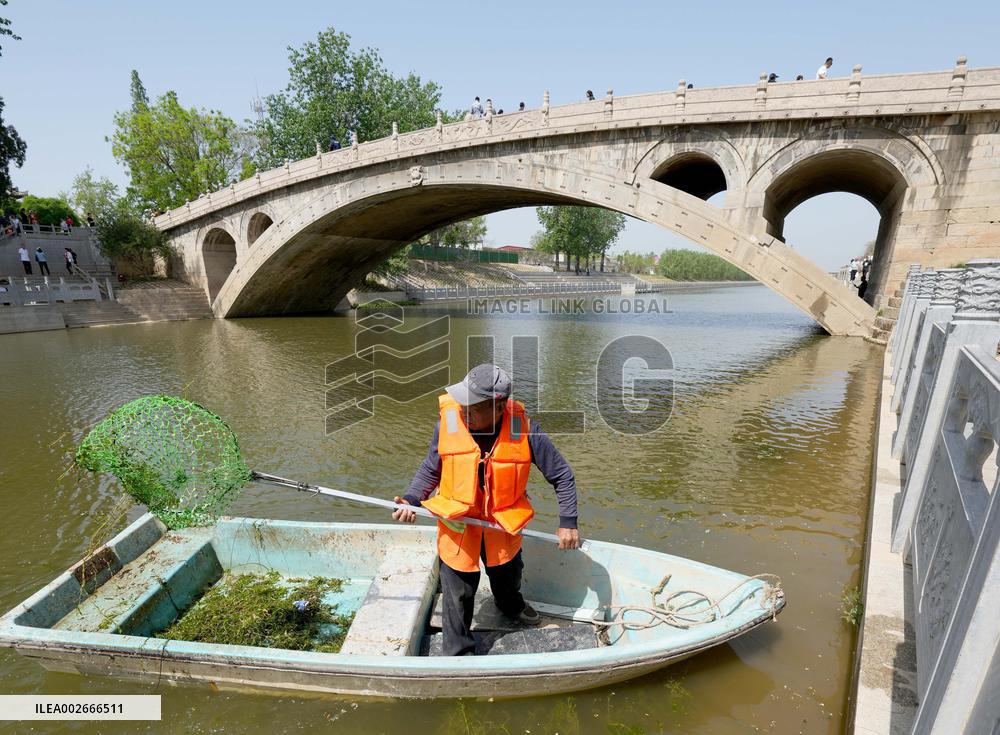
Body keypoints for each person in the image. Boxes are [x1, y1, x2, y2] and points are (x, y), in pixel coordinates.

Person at [393, 364, 580, 657]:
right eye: (462, 402)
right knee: (458, 595)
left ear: (499, 407)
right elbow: (431, 467)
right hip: (459, 526)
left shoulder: (524, 429)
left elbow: (562, 475)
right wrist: (412, 499)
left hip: (500, 526)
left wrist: (568, 522)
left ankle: (510, 605)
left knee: (507, 579)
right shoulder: (448, 423)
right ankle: (459, 657)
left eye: (473, 407)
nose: (463, 411)